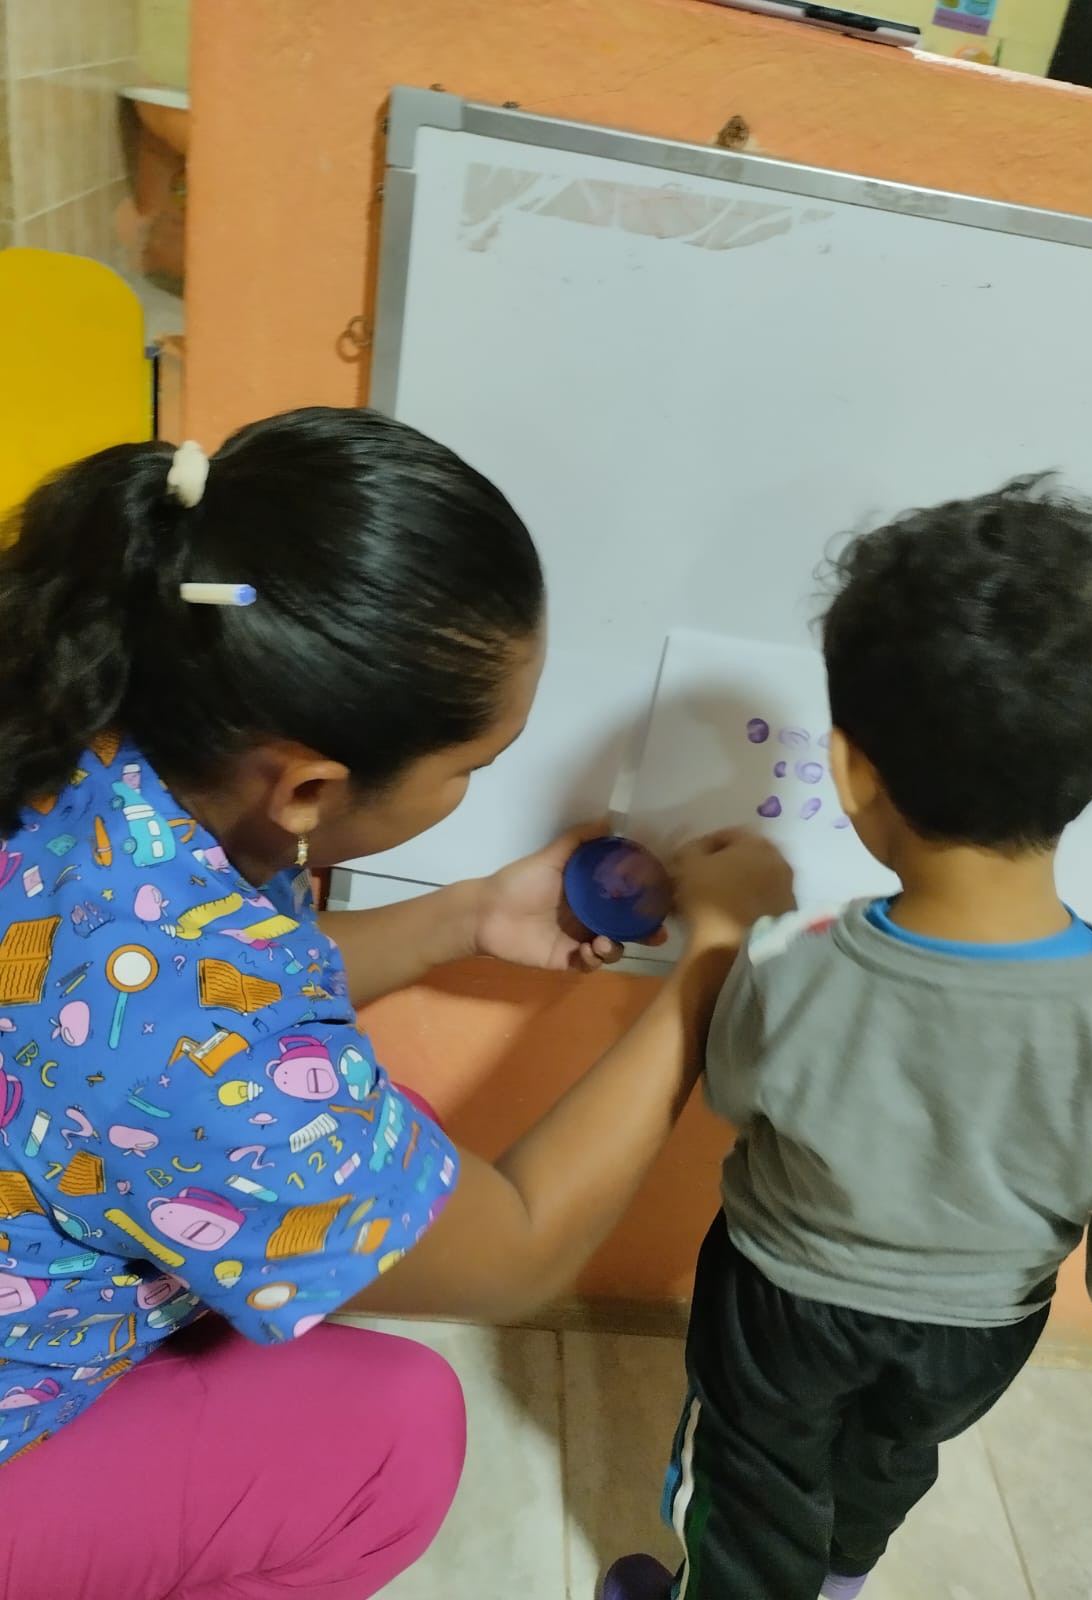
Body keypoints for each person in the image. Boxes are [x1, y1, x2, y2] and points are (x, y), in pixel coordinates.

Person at [0, 407, 795, 1600]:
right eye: (472, 767)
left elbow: (159, 993)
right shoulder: (206, 1049)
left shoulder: (91, 722)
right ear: (308, 787)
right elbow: (518, 1249)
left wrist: (463, 918)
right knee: (394, 1435)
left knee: (391, 1132)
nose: (478, 783)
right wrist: (713, 960)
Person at [603, 477, 1092, 1600]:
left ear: (849, 771)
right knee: (886, 1459)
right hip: (980, 1331)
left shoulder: (792, 962)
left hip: (779, 1301)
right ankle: (840, 1582)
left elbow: (729, 1092)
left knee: (750, 1475)